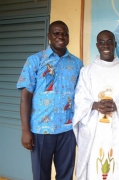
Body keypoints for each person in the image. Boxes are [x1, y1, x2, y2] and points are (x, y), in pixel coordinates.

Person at [17, 20, 83, 180]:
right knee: (41, 175)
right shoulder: (35, 60)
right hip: (41, 130)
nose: (61, 36)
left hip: (68, 130)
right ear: (49, 36)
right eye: (57, 33)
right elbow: (25, 96)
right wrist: (25, 130)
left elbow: (82, 96)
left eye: (65, 33)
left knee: (66, 175)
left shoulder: (77, 64)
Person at [72, 30, 119, 180]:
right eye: (101, 42)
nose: (105, 45)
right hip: (94, 130)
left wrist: (117, 106)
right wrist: (94, 105)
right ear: (97, 46)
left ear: (115, 44)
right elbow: (79, 98)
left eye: (109, 42)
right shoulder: (86, 72)